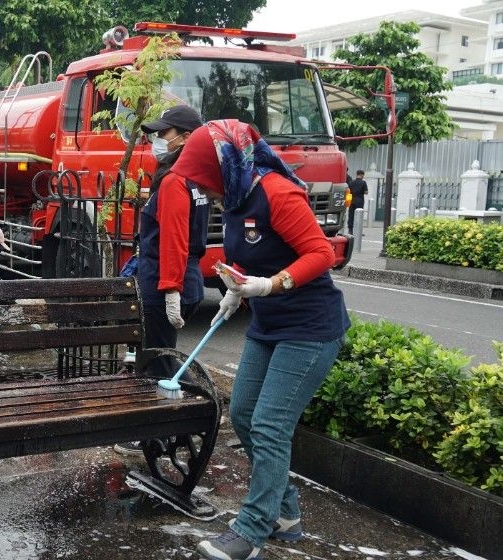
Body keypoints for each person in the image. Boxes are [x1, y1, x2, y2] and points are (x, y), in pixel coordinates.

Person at [176, 120, 349, 560]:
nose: (202, 189)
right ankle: (285, 512)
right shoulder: (234, 199)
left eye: (202, 179)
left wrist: (270, 285)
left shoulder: (277, 192)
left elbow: (322, 253)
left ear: (222, 166)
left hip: (309, 328)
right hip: (268, 325)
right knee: (244, 414)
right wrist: (236, 289)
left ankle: (251, 531)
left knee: (271, 424)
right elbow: (247, 255)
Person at [113, 105, 207, 457]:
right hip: (185, 277)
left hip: (164, 280)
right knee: (165, 356)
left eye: (165, 133)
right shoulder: (195, 178)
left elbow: (173, 239)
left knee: (158, 361)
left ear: (186, 137)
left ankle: (159, 435)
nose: (158, 139)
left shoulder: (175, 179)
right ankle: (181, 422)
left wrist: (170, 288)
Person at [347, 169, 369, 235]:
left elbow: (348, 192)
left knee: (351, 216)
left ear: (357, 174)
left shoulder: (351, 182)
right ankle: (358, 231)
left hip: (352, 201)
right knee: (359, 216)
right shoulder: (363, 182)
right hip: (359, 201)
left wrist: (348, 201)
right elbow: (366, 192)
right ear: (362, 175)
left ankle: (350, 230)